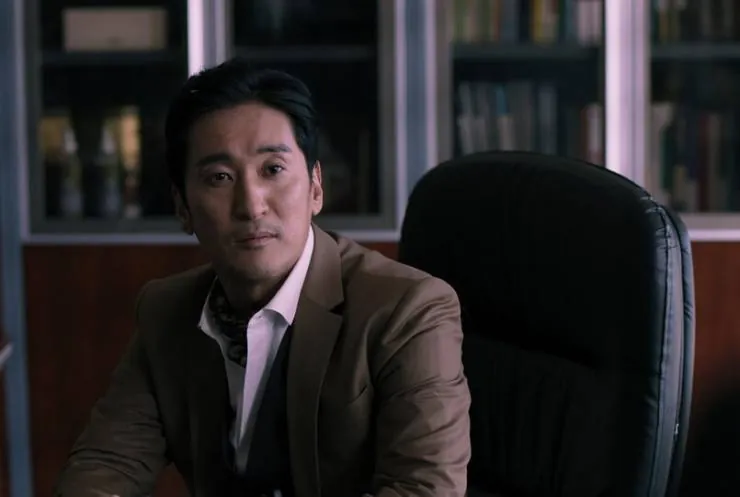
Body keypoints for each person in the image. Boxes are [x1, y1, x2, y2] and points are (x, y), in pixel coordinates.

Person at [55, 57, 471, 497]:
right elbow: (107, 463)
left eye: (272, 169)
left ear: (315, 187)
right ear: (182, 207)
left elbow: (423, 489)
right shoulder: (166, 310)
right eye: (219, 177)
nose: (251, 205)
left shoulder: (407, 310)